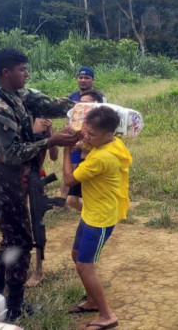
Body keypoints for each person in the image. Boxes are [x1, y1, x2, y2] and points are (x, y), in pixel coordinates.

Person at [0, 48, 80, 321]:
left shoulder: (21, 96)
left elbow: (53, 105)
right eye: (21, 69)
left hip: (11, 177)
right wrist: (50, 141)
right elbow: (10, 154)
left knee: (13, 239)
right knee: (20, 242)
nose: (26, 73)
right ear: (5, 72)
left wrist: (89, 109)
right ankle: (13, 307)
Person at [63, 106, 131, 330]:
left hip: (100, 219)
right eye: (87, 131)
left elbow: (70, 179)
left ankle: (106, 315)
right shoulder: (113, 144)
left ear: (108, 134)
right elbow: (87, 147)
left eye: (91, 134)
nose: (86, 136)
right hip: (90, 212)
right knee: (76, 255)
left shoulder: (102, 157)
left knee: (85, 265)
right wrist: (83, 143)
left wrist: (66, 151)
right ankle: (92, 300)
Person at [26, 117, 58, 287]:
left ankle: (38, 270)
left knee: (37, 223)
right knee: (22, 223)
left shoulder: (44, 124)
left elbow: (53, 157)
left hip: (36, 176)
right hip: (17, 177)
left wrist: (50, 134)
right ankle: (24, 265)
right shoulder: (20, 120)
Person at [63, 91, 105, 212]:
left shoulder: (103, 124)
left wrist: (79, 145)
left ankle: (97, 216)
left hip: (96, 164)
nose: (82, 105)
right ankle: (94, 214)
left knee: (89, 197)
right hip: (84, 161)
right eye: (80, 103)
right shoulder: (78, 121)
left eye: (86, 103)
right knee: (71, 200)